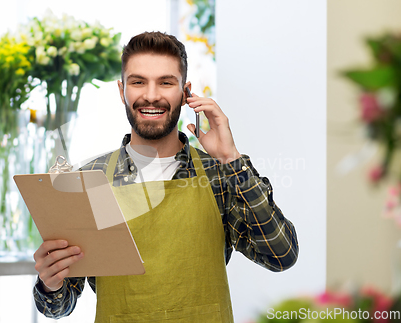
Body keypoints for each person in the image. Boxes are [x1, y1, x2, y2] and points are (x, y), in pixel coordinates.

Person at [32, 31, 298, 322]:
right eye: (138, 82)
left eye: (166, 82)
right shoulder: (92, 181)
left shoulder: (217, 175)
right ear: (122, 90)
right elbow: (57, 306)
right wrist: (51, 282)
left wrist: (231, 159)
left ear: (185, 93)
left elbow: (281, 255)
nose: (151, 95)